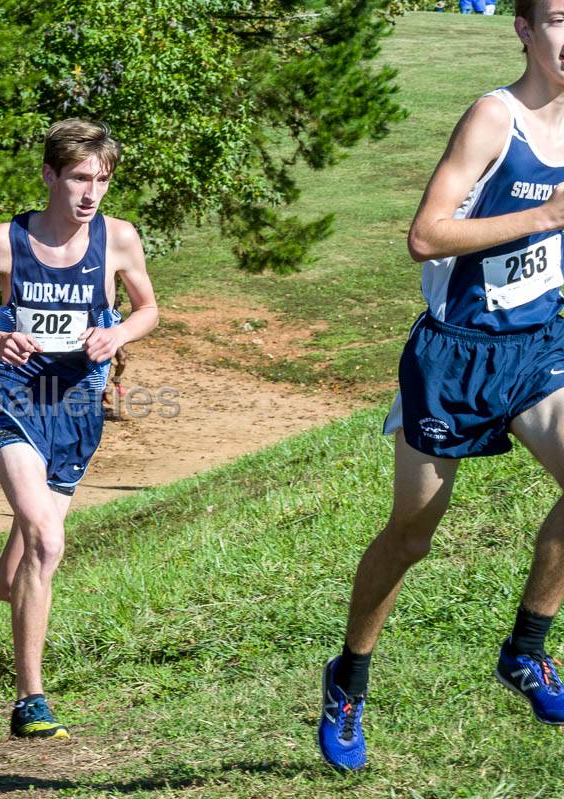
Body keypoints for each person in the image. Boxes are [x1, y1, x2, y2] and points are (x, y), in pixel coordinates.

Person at [319, 0, 564, 771]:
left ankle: (526, 648)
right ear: (524, 30)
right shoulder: (494, 120)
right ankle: (349, 678)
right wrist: (546, 215)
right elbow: (426, 235)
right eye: (558, 18)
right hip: (456, 355)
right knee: (412, 536)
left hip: (542, 345)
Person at [0, 119, 158, 738]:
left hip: (77, 413)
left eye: (101, 179)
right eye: (78, 178)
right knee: (48, 540)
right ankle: (30, 700)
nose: (90, 193)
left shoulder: (119, 240)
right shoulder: (4, 241)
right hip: (14, 403)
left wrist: (117, 331)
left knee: (18, 574)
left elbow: (148, 308)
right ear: (49, 176)